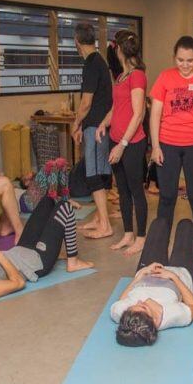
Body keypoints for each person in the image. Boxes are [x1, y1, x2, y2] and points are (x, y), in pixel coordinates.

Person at [150, 36, 193, 263]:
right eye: (181, 60)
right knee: (167, 197)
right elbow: (155, 114)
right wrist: (155, 146)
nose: (185, 64)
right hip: (168, 144)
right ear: (174, 57)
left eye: (190, 60)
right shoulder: (165, 78)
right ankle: (161, 245)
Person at [96, 30, 148, 255]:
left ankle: (142, 237)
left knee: (136, 191)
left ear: (118, 49)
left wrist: (122, 145)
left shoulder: (137, 76)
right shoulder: (121, 77)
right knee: (123, 191)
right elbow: (117, 108)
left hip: (131, 144)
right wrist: (103, 124)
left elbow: (138, 114)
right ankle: (128, 234)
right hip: (116, 140)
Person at [111, 218, 193, 346]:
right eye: (143, 306)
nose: (140, 301)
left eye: (133, 306)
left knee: (160, 223)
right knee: (186, 226)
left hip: (149, 271)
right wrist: (173, 277)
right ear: (154, 319)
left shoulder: (121, 314)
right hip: (181, 274)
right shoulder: (172, 315)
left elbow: (122, 300)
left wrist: (140, 276)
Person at [70, 22, 113, 238]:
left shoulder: (91, 64)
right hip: (100, 126)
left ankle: (105, 224)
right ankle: (99, 217)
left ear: (77, 41)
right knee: (102, 171)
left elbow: (86, 102)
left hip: (95, 127)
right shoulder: (100, 61)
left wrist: (76, 123)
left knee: (94, 174)